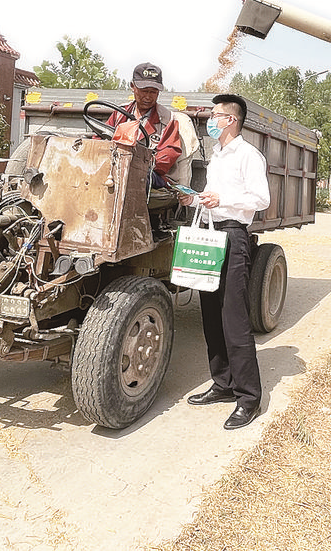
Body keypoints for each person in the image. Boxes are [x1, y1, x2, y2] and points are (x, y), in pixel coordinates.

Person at [179, 93, 270, 430]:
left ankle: (249, 397)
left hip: (233, 236)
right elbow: (214, 200)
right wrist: (194, 199)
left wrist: (223, 198)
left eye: (214, 115)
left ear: (230, 120)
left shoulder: (248, 155)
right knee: (211, 316)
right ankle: (223, 384)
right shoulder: (217, 155)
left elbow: (261, 199)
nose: (209, 120)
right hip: (210, 233)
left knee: (234, 319)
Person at [106, 62, 199, 190]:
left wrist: (136, 162)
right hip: (117, 169)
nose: (148, 97)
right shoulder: (120, 114)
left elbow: (166, 157)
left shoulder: (167, 119)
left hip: (153, 177)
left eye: (153, 92)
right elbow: (99, 139)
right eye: (144, 91)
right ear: (133, 86)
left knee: (135, 176)